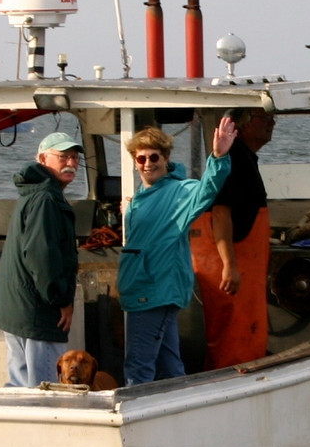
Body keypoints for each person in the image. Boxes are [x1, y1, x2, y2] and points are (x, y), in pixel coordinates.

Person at [117, 118, 237, 385]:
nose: (148, 164)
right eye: (141, 159)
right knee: (169, 365)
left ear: (166, 157)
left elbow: (207, 190)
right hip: (144, 291)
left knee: (138, 366)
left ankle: (140, 419)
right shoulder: (140, 196)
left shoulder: (179, 192)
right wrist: (129, 211)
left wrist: (218, 157)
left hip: (153, 293)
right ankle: (182, 410)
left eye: (154, 157)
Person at [0, 131, 84, 386]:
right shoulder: (46, 199)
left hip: (19, 307)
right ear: (42, 158)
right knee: (44, 385)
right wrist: (62, 300)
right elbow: (42, 255)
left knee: (19, 383)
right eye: (63, 156)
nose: (71, 163)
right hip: (37, 309)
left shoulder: (37, 193)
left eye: (75, 158)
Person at [191, 108, 274, 369]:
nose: (272, 124)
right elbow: (220, 213)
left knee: (242, 331)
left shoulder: (245, 157)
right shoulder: (234, 158)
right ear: (243, 125)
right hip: (229, 266)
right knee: (230, 333)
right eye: (265, 119)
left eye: (273, 119)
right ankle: (230, 381)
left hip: (244, 267)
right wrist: (230, 264)